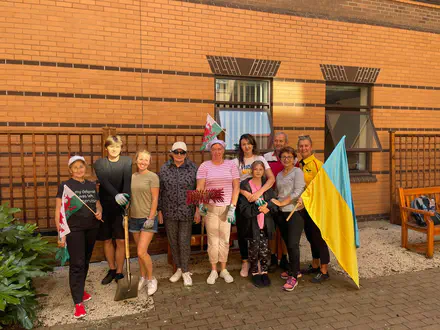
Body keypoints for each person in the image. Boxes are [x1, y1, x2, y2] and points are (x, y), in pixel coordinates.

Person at [55, 155, 103, 318]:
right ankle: (78, 303)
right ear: (70, 170)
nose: (78, 170)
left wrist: (99, 212)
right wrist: (61, 234)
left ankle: (80, 290)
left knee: (86, 261)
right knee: (77, 264)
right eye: (75, 167)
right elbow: (58, 211)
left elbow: (97, 204)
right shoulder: (65, 186)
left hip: (91, 228)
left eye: (81, 166)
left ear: (85, 168)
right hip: (74, 230)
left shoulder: (91, 185)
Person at [196, 138, 240, 285]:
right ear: (210, 151)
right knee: (213, 240)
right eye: (214, 149)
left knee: (225, 239)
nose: (217, 151)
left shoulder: (231, 165)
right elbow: (200, 187)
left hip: (227, 208)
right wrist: (200, 204)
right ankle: (214, 270)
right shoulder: (204, 166)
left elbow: (236, 187)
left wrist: (233, 207)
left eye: (219, 149)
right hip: (211, 209)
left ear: (223, 150)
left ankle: (224, 269)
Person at [233, 134, 275, 277]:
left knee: (258, 230)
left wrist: (259, 193)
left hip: (258, 197)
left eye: (249, 143)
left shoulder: (260, 159)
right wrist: (244, 193)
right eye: (243, 144)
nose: (246, 146)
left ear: (253, 144)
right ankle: (245, 262)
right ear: (240, 146)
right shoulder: (236, 161)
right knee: (243, 231)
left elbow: (271, 179)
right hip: (243, 198)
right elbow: (234, 182)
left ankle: (259, 261)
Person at [158, 141, 199, 287]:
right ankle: (179, 269)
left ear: (186, 154)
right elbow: (160, 191)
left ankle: (186, 271)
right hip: (169, 211)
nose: (179, 155)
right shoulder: (164, 168)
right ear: (172, 153)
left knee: (184, 241)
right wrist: (159, 210)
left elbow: (197, 190)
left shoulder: (193, 168)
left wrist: (198, 210)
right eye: (176, 152)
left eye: (182, 152)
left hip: (187, 211)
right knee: (173, 241)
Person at [94, 135, 132, 285]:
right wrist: (117, 195)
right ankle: (111, 268)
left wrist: (125, 200)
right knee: (108, 240)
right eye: (111, 146)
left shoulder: (126, 162)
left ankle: (119, 271)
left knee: (121, 240)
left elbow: (127, 182)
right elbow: (104, 181)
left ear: (121, 148)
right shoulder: (99, 163)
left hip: (121, 206)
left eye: (117, 147)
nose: (114, 149)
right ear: (106, 148)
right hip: (105, 206)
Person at [238, 161, 278, 287]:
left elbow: (274, 202)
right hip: (252, 225)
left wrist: (268, 207)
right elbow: (243, 209)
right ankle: (255, 272)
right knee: (254, 250)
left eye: (261, 169)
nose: (259, 171)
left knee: (265, 250)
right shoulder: (246, 186)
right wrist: (258, 209)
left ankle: (264, 271)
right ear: (251, 170)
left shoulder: (266, 186)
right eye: (256, 169)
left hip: (265, 224)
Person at [271, 146, 305, 291]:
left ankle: (294, 276)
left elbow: (298, 191)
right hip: (281, 213)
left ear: (294, 159)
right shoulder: (279, 175)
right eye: (283, 157)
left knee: (292, 244)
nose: (286, 159)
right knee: (286, 241)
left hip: (294, 213)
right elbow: (277, 192)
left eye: (289, 157)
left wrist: (282, 202)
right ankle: (293, 269)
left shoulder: (297, 172)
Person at [297, 135, 331, 283]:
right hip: (304, 208)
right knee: (310, 237)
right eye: (301, 146)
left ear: (311, 147)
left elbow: (323, 187)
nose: (303, 148)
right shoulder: (299, 165)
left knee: (319, 237)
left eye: (306, 146)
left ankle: (324, 270)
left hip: (316, 207)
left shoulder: (318, 164)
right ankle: (315, 265)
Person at [129, 150, 160, 295]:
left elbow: (155, 199)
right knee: (139, 253)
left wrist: (151, 217)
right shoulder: (132, 177)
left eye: (146, 160)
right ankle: (142, 277)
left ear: (149, 162)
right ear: (136, 160)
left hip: (147, 219)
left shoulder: (152, 177)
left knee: (142, 251)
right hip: (133, 218)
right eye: (140, 159)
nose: (143, 162)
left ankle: (151, 278)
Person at [263, 132, 292, 272]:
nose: (278, 143)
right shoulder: (267, 158)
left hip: (286, 199)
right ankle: (273, 258)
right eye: (276, 141)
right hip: (271, 198)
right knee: (272, 230)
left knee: (285, 231)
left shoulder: (291, 157)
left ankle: (284, 258)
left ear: (285, 142)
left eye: (281, 141)